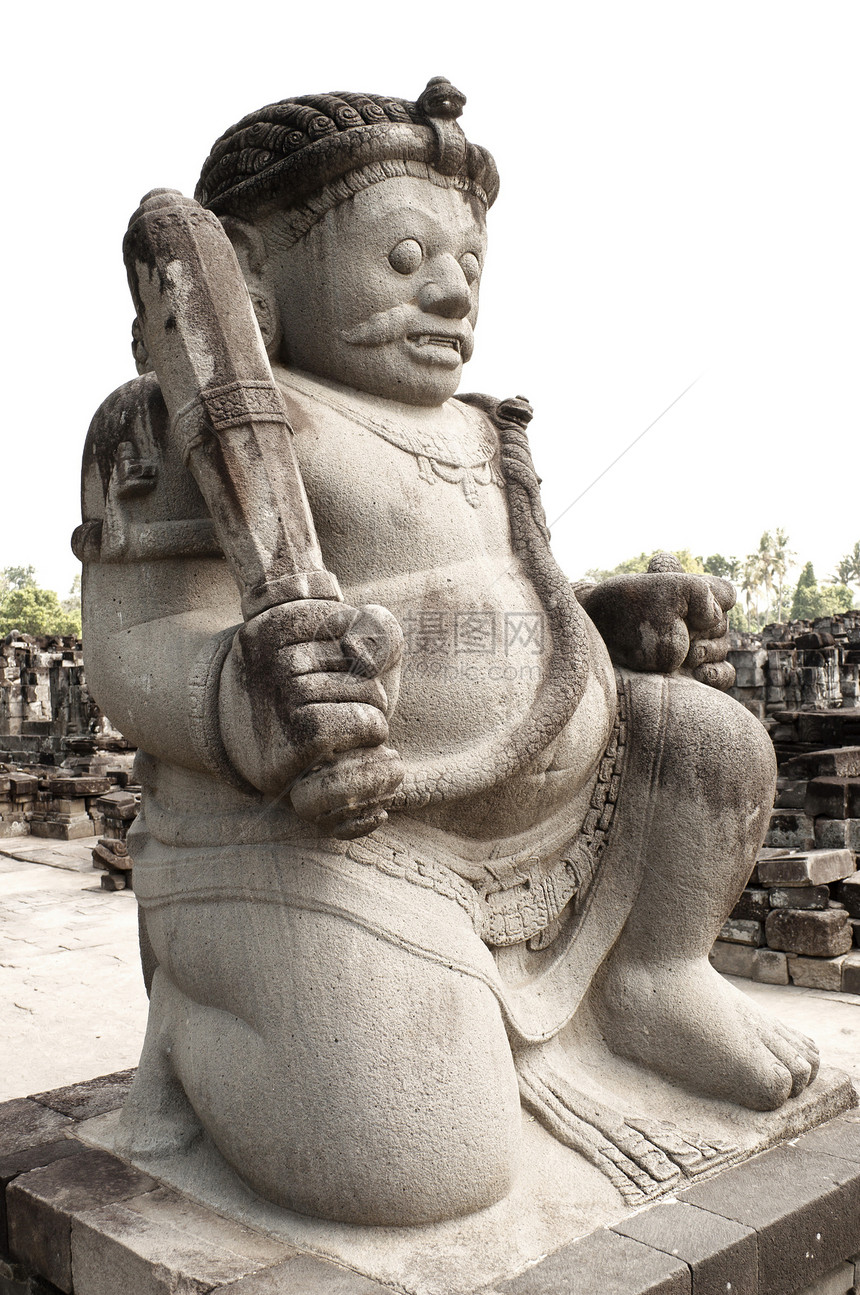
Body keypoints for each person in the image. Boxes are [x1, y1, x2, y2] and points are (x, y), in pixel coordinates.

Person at [76, 79, 818, 1226]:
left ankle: (650, 977)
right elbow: (133, 645)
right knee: (420, 1165)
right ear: (251, 280)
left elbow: (515, 596)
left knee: (706, 738)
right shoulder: (175, 418)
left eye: (468, 259)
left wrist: (610, 612)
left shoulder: (484, 430)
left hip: (552, 821)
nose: (451, 286)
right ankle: (202, 1016)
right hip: (328, 841)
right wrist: (238, 697)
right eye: (406, 252)